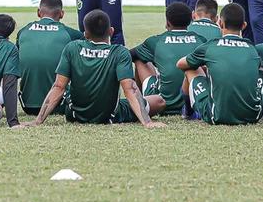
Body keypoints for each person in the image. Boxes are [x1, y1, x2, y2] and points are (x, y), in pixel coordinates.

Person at [25, 10, 165, 127]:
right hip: (109, 115)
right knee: (159, 101)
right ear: (111, 31)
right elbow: (129, 89)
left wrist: (38, 120)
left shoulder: (72, 48)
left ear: (85, 34)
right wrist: (147, 122)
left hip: (74, 114)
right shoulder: (119, 52)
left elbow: (58, 86)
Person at [176, 3, 263, 125]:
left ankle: (187, 112)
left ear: (220, 24)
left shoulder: (211, 46)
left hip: (217, 115)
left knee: (190, 69)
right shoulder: (252, 48)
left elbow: (180, 64)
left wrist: (205, 66)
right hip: (252, 115)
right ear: (244, 26)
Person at [132, 2, 204, 118]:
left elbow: (129, 55)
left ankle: (143, 102)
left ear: (167, 22)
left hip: (162, 104)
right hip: (193, 103)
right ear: (190, 21)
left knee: (140, 58)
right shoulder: (201, 40)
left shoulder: (156, 41)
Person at [15, 0, 84, 116]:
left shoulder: (23, 32)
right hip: (59, 105)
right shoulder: (72, 34)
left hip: (27, 105)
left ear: (38, 12)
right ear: (61, 14)